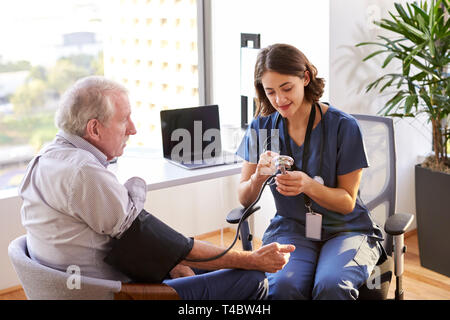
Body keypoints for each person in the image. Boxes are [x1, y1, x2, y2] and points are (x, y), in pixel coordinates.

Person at [18, 75, 295, 300]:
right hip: (116, 292)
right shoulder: (84, 173)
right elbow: (161, 242)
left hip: (86, 281)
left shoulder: (46, 159)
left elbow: (149, 242)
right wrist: (252, 259)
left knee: (187, 259)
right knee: (251, 279)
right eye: (124, 119)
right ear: (94, 129)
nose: (133, 129)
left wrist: (171, 258)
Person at [236, 43, 386, 300]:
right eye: (270, 92)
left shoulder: (343, 127)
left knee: (330, 285)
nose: (279, 100)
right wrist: (258, 176)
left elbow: (347, 203)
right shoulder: (261, 127)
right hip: (293, 227)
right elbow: (244, 198)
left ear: (305, 78)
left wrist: (307, 185)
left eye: (287, 88)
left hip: (346, 229)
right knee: (283, 286)